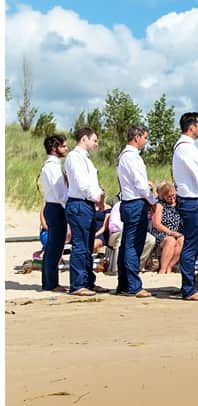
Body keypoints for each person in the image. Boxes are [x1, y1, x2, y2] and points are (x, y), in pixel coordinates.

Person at [170, 111, 198, 301]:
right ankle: (189, 288)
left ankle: (189, 285)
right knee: (191, 245)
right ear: (191, 127)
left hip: (191, 200)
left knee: (193, 245)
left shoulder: (183, 148)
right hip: (193, 200)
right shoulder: (187, 148)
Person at [64, 127, 109, 296]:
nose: (96, 144)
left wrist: (99, 195)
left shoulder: (86, 160)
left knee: (88, 245)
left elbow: (91, 183)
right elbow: (82, 184)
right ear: (84, 139)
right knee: (80, 245)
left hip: (87, 204)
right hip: (79, 204)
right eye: (94, 140)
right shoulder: (74, 158)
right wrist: (97, 196)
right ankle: (77, 284)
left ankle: (88, 281)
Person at [116, 125, 158, 298]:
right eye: (145, 137)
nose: (146, 141)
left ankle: (124, 283)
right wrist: (152, 200)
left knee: (128, 243)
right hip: (135, 202)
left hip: (129, 202)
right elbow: (140, 184)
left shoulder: (124, 156)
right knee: (133, 245)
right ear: (137, 137)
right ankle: (133, 285)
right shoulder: (132, 158)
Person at [39, 134, 69, 292]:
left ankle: (51, 281)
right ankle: (50, 283)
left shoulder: (54, 165)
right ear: (54, 148)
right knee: (54, 246)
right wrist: (68, 206)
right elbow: (60, 192)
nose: (66, 148)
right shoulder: (51, 166)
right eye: (63, 146)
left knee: (56, 246)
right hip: (56, 206)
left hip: (55, 206)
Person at [151, 182, 185, 274]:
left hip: (177, 232)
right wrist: (170, 232)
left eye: (173, 195)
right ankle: (163, 269)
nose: (172, 198)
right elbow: (157, 224)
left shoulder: (179, 204)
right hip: (162, 232)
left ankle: (170, 266)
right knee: (171, 241)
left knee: (182, 240)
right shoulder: (160, 205)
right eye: (169, 197)